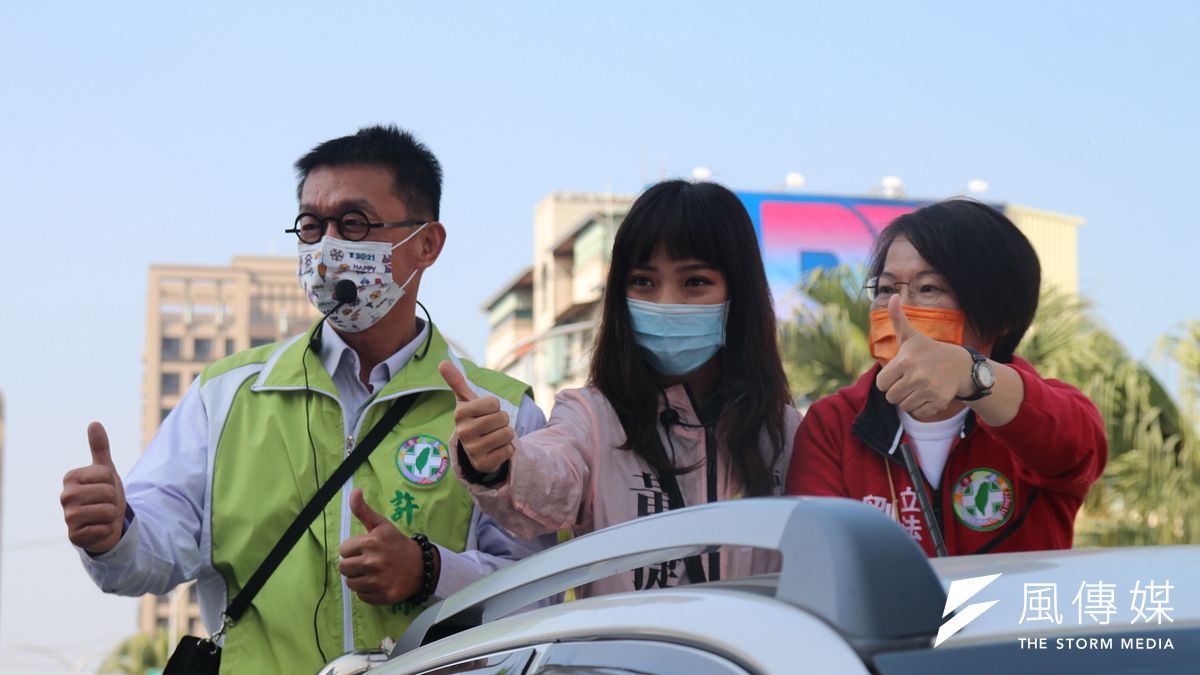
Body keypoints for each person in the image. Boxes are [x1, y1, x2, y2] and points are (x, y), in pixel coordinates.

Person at [59, 125, 550, 673]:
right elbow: (147, 556)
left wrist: (429, 571)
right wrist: (113, 532)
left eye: (354, 223)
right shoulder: (228, 396)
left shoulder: (499, 412)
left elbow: (541, 597)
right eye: (312, 226)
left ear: (426, 245)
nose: (327, 248)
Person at [440, 179, 800, 596]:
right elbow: (549, 478)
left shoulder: (783, 432)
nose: (667, 302)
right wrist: (498, 463)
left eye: (695, 282)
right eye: (644, 282)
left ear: (739, 293)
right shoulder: (592, 416)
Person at [787, 199, 1107, 556]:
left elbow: (1079, 452)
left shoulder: (1048, 415)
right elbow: (816, 562)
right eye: (886, 289)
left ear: (997, 313)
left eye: (928, 289)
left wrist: (972, 375)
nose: (897, 308)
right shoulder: (834, 424)